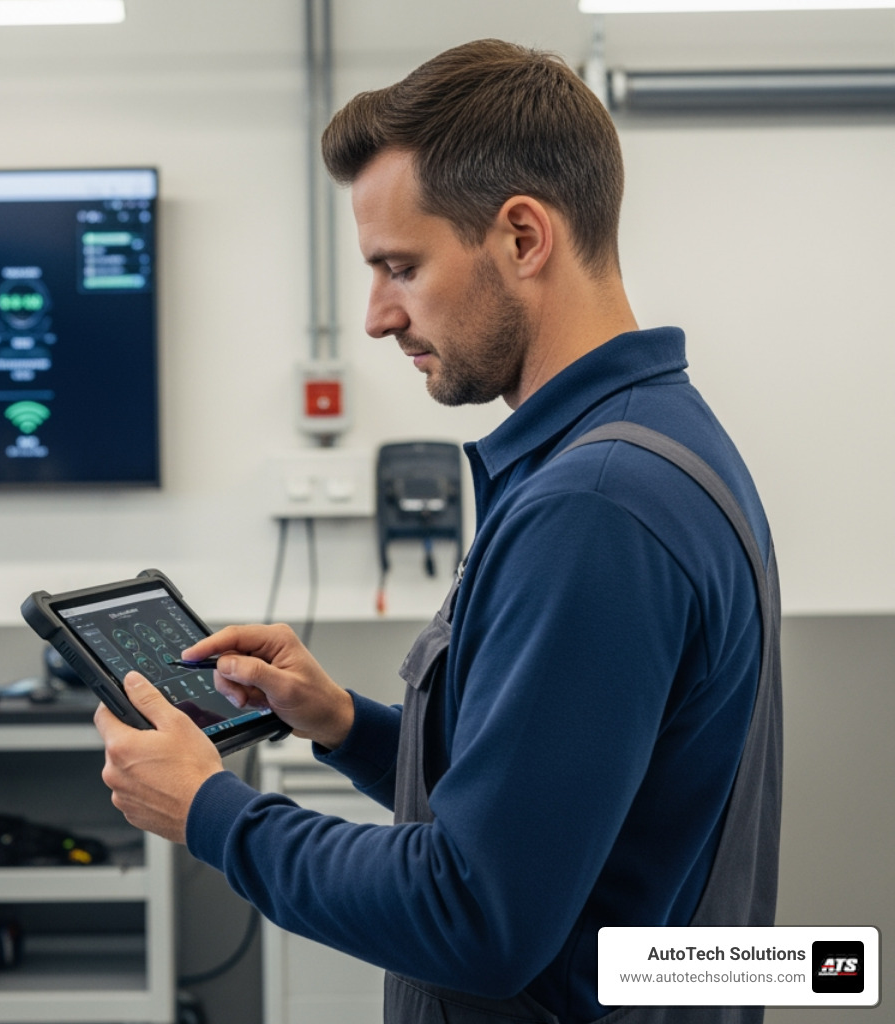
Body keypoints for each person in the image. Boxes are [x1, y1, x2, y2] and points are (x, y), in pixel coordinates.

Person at [93, 39, 781, 1024]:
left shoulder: (596, 506)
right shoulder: (650, 443)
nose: (376, 318)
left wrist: (213, 813)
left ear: (522, 237)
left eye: (400, 268)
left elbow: (474, 912)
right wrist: (345, 725)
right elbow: (554, 810)